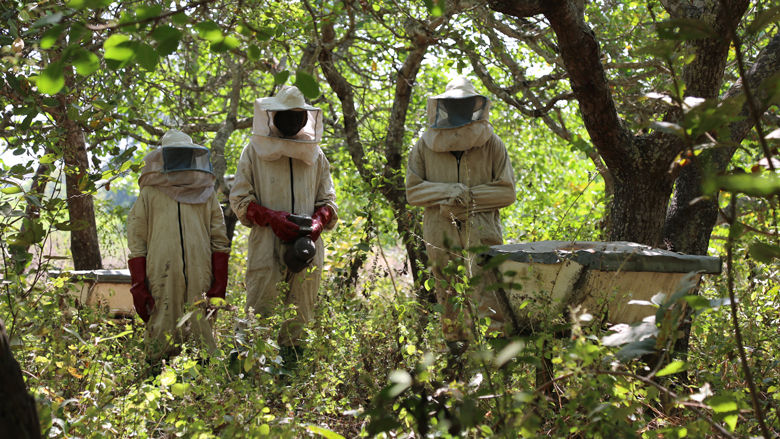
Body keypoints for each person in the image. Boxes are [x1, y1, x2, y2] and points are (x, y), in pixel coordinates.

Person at [406, 76, 516, 355]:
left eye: (464, 105)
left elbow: (507, 192)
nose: (459, 111)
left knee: (488, 286)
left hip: (482, 228)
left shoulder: (492, 144)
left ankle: (496, 355)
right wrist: (446, 191)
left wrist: (467, 198)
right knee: (447, 288)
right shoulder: (423, 145)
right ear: (443, 107)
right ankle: (457, 355)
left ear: (475, 107)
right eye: (455, 105)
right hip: (438, 228)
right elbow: (413, 192)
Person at [229, 85, 337, 367]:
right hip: (266, 242)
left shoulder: (316, 154)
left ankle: (291, 375)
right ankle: (248, 374)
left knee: (301, 312)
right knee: (260, 308)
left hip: (307, 246)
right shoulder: (253, 151)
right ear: (273, 115)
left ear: (305, 117)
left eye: (297, 115)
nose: (292, 120)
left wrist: (317, 222)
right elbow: (240, 198)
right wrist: (270, 218)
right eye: (287, 115)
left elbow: (328, 200)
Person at [127, 129, 231, 363]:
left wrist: (220, 281)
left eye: (183, 156)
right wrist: (139, 283)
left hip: (201, 272)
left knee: (201, 329)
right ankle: (155, 381)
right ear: (164, 159)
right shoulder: (150, 193)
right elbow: (137, 239)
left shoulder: (206, 193)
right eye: (175, 156)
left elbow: (219, 238)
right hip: (161, 274)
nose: (180, 161)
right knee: (161, 329)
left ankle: (206, 383)